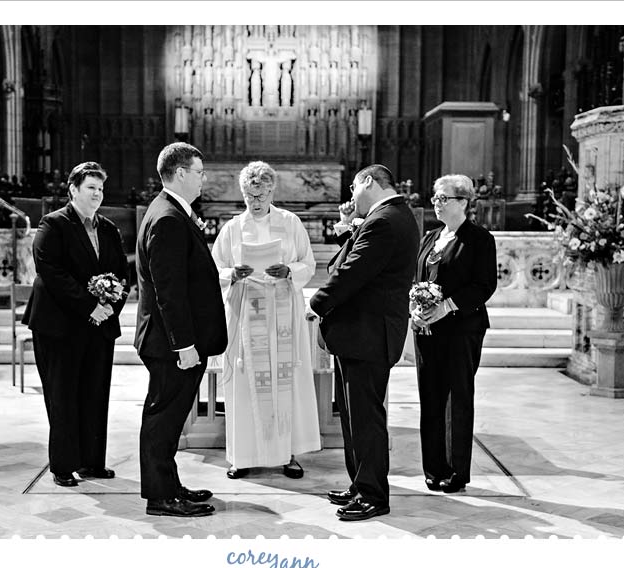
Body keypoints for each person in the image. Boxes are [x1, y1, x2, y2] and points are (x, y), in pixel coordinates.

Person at [308, 164, 420, 521]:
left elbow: (350, 273)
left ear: (370, 182)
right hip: (361, 333)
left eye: (354, 187)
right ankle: (360, 484)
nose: (351, 195)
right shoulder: (389, 216)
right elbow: (354, 262)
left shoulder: (385, 220)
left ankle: (373, 495)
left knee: (366, 420)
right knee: (354, 418)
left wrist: (314, 304)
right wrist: (349, 229)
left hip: (367, 334)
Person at [134, 142, 228, 517]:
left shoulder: (172, 212)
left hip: (173, 341)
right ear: (182, 173)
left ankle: (169, 484)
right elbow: (168, 290)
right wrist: (184, 344)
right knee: (163, 417)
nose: (204, 179)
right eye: (200, 172)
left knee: (170, 418)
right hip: (171, 344)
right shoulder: (168, 218)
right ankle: (160, 495)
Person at [211, 161, 321, 481]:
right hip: (246, 309)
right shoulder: (232, 228)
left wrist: (289, 271)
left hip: (282, 311)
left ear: (272, 190)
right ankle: (242, 457)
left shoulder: (290, 223)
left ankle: (288, 455)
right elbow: (214, 267)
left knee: (285, 381)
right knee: (245, 385)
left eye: (260, 195)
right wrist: (232, 274)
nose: (254, 203)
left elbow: (307, 263)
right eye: (248, 196)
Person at [22, 162, 129, 487]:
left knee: (95, 394)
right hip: (60, 324)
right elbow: (51, 273)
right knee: (63, 394)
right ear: (73, 190)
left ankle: (92, 462)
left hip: (99, 325)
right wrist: (89, 307)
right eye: (91, 188)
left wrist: (110, 306)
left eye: (100, 188)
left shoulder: (108, 229)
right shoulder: (53, 224)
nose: (97, 194)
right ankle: (63, 465)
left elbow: (121, 273)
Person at [412, 174, 497, 493]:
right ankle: (433, 467)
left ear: (463, 202)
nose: (435, 203)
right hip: (427, 330)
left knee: (455, 398)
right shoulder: (429, 237)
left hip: (461, 329)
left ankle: (455, 471)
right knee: (430, 397)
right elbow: (416, 278)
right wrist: (415, 310)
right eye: (434, 197)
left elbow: (484, 285)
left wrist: (447, 306)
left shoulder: (479, 239)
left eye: (442, 198)